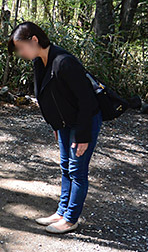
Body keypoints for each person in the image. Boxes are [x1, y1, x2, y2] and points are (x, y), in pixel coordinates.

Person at [8, 22, 102, 234]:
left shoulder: (64, 62)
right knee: (65, 166)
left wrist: (83, 135)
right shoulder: (40, 62)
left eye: (22, 47)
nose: (21, 53)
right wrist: (55, 124)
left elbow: (87, 102)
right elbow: (49, 97)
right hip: (64, 123)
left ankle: (71, 219)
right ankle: (61, 212)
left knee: (77, 170)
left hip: (83, 122)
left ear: (34, 40)